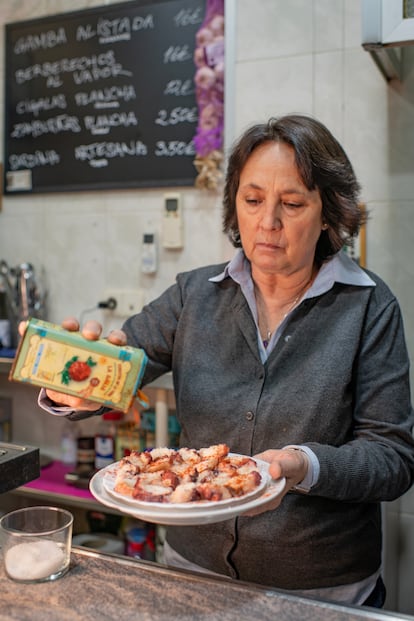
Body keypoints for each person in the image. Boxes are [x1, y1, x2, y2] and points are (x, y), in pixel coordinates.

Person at [35, 114, 414, 608]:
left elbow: (393, 456)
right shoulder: (195, 295)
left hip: (321, 589)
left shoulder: (369, 307)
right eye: (252, 201)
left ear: (328, 214)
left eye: (293, 203)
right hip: (194, 574)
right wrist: (74, 383)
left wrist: (307, 465)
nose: (268, 222)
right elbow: (119, 364)